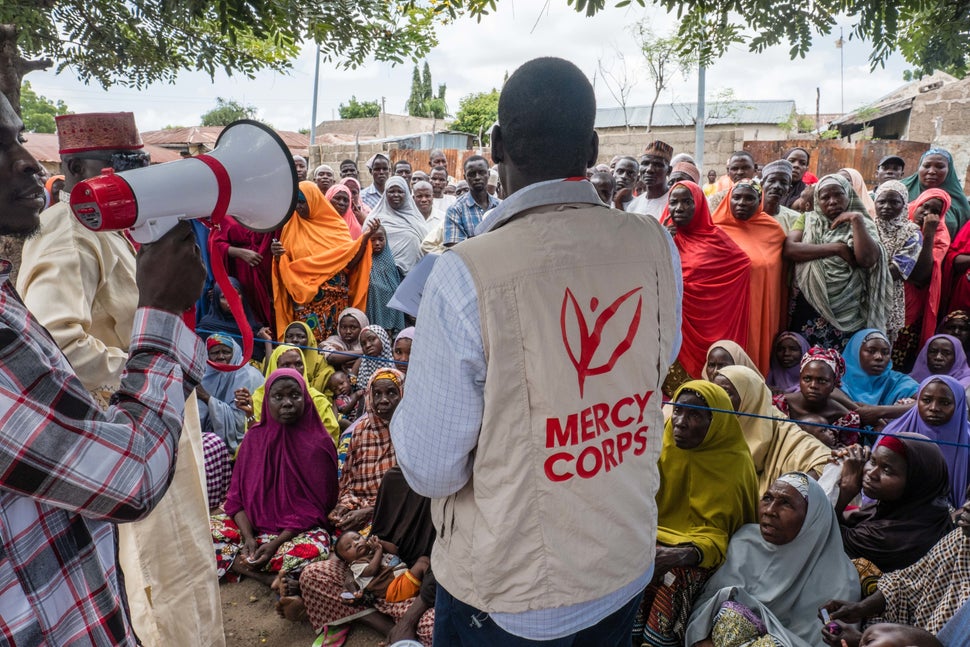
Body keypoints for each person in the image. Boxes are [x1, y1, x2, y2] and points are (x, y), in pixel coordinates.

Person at [392, 57, 682, 645]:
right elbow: (657, 361)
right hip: (621, 565)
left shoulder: (465, 274)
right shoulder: (653, 245)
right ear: (594, 145)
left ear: (496, 145)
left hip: (510, 593)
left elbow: (430, 466)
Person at [0, 87, 212, 646]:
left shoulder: (108, 224)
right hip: (115, 438)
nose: (25, 161)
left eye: (20, 141)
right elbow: (61, 342)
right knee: (160, 585)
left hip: (145, 419)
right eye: (126, 164)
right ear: (78, 170)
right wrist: (152, 348)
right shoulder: (64, 233)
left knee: (185, 567)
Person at [636, 380, 758, 646]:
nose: (679, 422)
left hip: (709, 550)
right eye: (678, 411)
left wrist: (683, 552)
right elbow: (640, 506)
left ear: (715, 422)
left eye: (694, 415)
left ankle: (658, 641)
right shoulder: (663, 445)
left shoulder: (733, 462)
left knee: (677, 573)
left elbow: (726, 535)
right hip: (655, 532)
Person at [684, 473, 860, 647]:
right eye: (767, 498)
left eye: (785, 503)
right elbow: (704, 610)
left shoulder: (840, 578)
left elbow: (835, 640)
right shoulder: (745, 542)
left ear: (812, 518)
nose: (770, 511)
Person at [212, 368, 337, 587]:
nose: (287, 403)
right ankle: (266, 577)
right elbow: (236, 498)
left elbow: (316, 509)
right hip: (253, 530)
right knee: (205, 534)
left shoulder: (319, 445)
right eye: (278, 397)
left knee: (316, 548)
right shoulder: (254, 438)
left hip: (295, 534)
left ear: (306, 398)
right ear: (267, 401)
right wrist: (249, 537)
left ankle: (245, 564)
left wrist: (276, 544)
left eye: (294, 396)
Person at [291, 465, 437, 645]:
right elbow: (369, 540)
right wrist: (348, 579)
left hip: (417, 591)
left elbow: (440, 571)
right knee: (313, 574)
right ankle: (384, 626)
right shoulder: (394, 479)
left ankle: (401, 627)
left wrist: (409, 621)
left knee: (436, 628)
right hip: (373, 586)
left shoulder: (450, 496)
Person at [821, 485, 970, 641]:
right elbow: (906, 583)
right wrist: (860, 608)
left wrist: (862, 642)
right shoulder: (961, 540)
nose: (966, 506)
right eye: (968, 497)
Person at [784, 174, 892, 351]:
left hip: (849, 307)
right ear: (817, 200)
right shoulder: (808, 219)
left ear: (848, 194)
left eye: (838, 195)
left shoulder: (863, 223)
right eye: (825, 197)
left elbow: (867, 260)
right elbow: (790, 249)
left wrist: (856, 220)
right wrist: (837, 248)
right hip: (810, 302)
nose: (832, 201)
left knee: (843, 361)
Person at [660, 181, 751, 383]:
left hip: (707, 325)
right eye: (674, 202)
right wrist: (662, 240)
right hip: (674, 329)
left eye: (687, 202)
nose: (679, 208)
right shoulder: (661, 235)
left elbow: (742, 265)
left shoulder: (714, 238)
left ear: (699, 204)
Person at [834, 434, 954, 573]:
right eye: (872, 461)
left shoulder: (887, 537)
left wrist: (845, 491)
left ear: (915, 482)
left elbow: (819, 534)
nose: (872, 474)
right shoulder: (929, 511)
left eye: (886, 470)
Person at [272, 181, 375, 342]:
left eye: (302, 202)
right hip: (306, 302)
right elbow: (286, 264)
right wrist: (279, 255)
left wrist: (365, 238)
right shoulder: (290, 226)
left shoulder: (336, 225)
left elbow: (349, 262)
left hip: (335, 301)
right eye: (296, 203)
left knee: (335, 345)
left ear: (313, 200)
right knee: (307, 343)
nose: (298, 207)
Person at [713, 366, 831, 493]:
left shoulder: (777, 425)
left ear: (750, 397)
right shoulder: (710, 424)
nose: (718, 399)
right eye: (714, 393)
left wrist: (788, 494)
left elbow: (824, 462)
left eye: (726, 392)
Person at [712, 179, 787, 373]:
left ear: (759, 201)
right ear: (728, 199)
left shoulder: (773, 231)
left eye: (749, 198)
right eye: (736, 197)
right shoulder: (713, 229)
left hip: (757, 308)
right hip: (724, 310)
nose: (742, 203)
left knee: (751, 354)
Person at [329, 368, 404, 532]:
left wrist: (371, 512)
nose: (383, 400)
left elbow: (413, 494)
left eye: (391, 393)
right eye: (377, 394)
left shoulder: (411, 433)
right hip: (359, 509)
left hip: (398, 514)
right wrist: (344, 506)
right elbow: (348, 482)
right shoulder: (360, 431)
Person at [881, 375, 970, 508]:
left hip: (953, 514)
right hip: (897, 509)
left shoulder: (967, 438)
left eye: (945, 403)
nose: (934, 408)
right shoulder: (895, 431)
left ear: (958, 405)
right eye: (926, 400)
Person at [198, 334, 264, 505]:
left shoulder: (247, 376)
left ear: (234, 352)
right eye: (215, 353)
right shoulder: (205, 373)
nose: (221, 357)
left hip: (246, 437)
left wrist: (207, 398)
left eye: (226, 352)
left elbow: (241, 422)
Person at [897, 188, 951, 367]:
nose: (927, 213)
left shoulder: (940, 235)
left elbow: (920, 274)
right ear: (916, 204)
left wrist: (928, 235)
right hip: (883, 300)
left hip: (910, 307)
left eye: (935, 211)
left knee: (897, 359)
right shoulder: (898, 221)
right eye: (924, 206)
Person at [243, 343, 340, 440]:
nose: (294, 369)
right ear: (274, 367)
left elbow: (329, 437)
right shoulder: (260, 398)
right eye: (286, 365)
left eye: (298, 364)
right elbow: (254, 439)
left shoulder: (317, 399)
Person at [773, 346, 861, 447]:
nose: (813, 386)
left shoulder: (846, 419)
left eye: (822, 381)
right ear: (799, 379)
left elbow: (848, 454)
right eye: (807, 379)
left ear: (834, 384)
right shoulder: (778, 405)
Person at [872, 180, 923, 348]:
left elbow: (897, 270)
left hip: (888, 297)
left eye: (894, 202)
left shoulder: (912, 233)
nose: (886, 206)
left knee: (878, 346)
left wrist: (864, 268)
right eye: (881, 201)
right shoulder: (867, 226)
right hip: (859, 295)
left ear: (904, 204)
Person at [209, 213, 275, 331]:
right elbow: (215, 244)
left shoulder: (265, 212)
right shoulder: (226, 216)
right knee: (244, 308)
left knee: (270, 311)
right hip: (239, 271)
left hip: (266, 270)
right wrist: (239, 252)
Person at [841, 329, 919, 425]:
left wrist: (879, 411)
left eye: (885, 352)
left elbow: (929, 401)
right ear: (855, 352)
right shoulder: (837, 379)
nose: (879, 357)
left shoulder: (896, 380)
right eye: (871, 351)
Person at [334, 531, 430, 603]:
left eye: (357, 538)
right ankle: (433, 588)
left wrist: (381, 543)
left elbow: (395, 550)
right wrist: (379, 549)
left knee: (423, 560)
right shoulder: (356, 565)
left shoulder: (373, 549)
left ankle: (430, 585)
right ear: (346, 561)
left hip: (404, 579)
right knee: (422, 563)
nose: (355, 543)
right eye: (348, 547)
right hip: (393, 590)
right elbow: (372, 570)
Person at [195, 277, 271, 361]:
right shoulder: (206, 327)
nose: (231, 300)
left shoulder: (255, 326)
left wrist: (267, 341)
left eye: (235, 294)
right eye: (224, 297)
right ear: (216, 300)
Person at [365, 175, 428, 274]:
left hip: (412, 279)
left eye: (400, 191)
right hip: (381, 278)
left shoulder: (416, 219)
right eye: (391, 191)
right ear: (385, 194)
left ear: (407, 194)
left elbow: (426, 247)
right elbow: (364, 247)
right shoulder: (374, 219)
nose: (396, 195)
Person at [902, 147, 970, 237]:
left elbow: (964, 239)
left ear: (949, 170)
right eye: (926, 166)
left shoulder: (959, 201)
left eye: (940, 167)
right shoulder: (900, 190)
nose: (931, 171)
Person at [443, 154, 501, 246]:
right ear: (465, 177)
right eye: (471, 174)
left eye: (481, 172)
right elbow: (456, 249)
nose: (477, 177)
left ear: (488, 174)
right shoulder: (455, 210)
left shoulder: (501, 206)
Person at [366, 225, 406, 337]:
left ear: (386, 240)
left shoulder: (391, 264)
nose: (377, 243)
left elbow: (396, 292)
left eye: (381, 239)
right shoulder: (366, 264)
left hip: (392, 316)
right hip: (374, 314)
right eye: (372, 240)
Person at [626, 140, 673, 219]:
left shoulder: (674, 204)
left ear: (668, 170)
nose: (649, 169)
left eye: (657, 164)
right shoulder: (634, 205)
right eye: (645, 163)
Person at [321, 307, 369, 372]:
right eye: (343, 327)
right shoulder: (333, 341)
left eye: (353, 327)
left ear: (362, 327)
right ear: (338, 327)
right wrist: (364, 353)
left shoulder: (368, 342)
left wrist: (359, 361)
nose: (348, 331)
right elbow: (332, 357)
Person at [760, 159, 800, 234]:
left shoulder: (795, 219)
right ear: (762, 185)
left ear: (789, 190)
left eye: (783, 183)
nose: (777, 186)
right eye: (771, 181)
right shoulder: (749, 214)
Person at [354, 323, 394, 392]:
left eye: (372, 339)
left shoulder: (396, 364)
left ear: (382, 338)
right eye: (363, 344)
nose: (368, 345)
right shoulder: (362, 364)